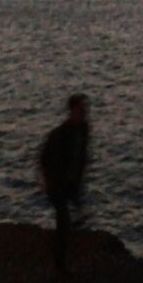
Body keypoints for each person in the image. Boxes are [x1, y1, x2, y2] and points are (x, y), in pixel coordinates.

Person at [39, 94, 90, 273]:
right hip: (57, 183)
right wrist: (46, 181)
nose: (85, 112)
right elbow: (44, 158)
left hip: (71, 181)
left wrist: (77, 179)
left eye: (85, 109)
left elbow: (81, 156)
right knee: (64, 221)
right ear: (72, 110)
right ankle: (59, 266)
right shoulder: (60, 134)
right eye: (81, 109)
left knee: (76, 215)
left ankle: (69, 246)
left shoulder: (84, 129)